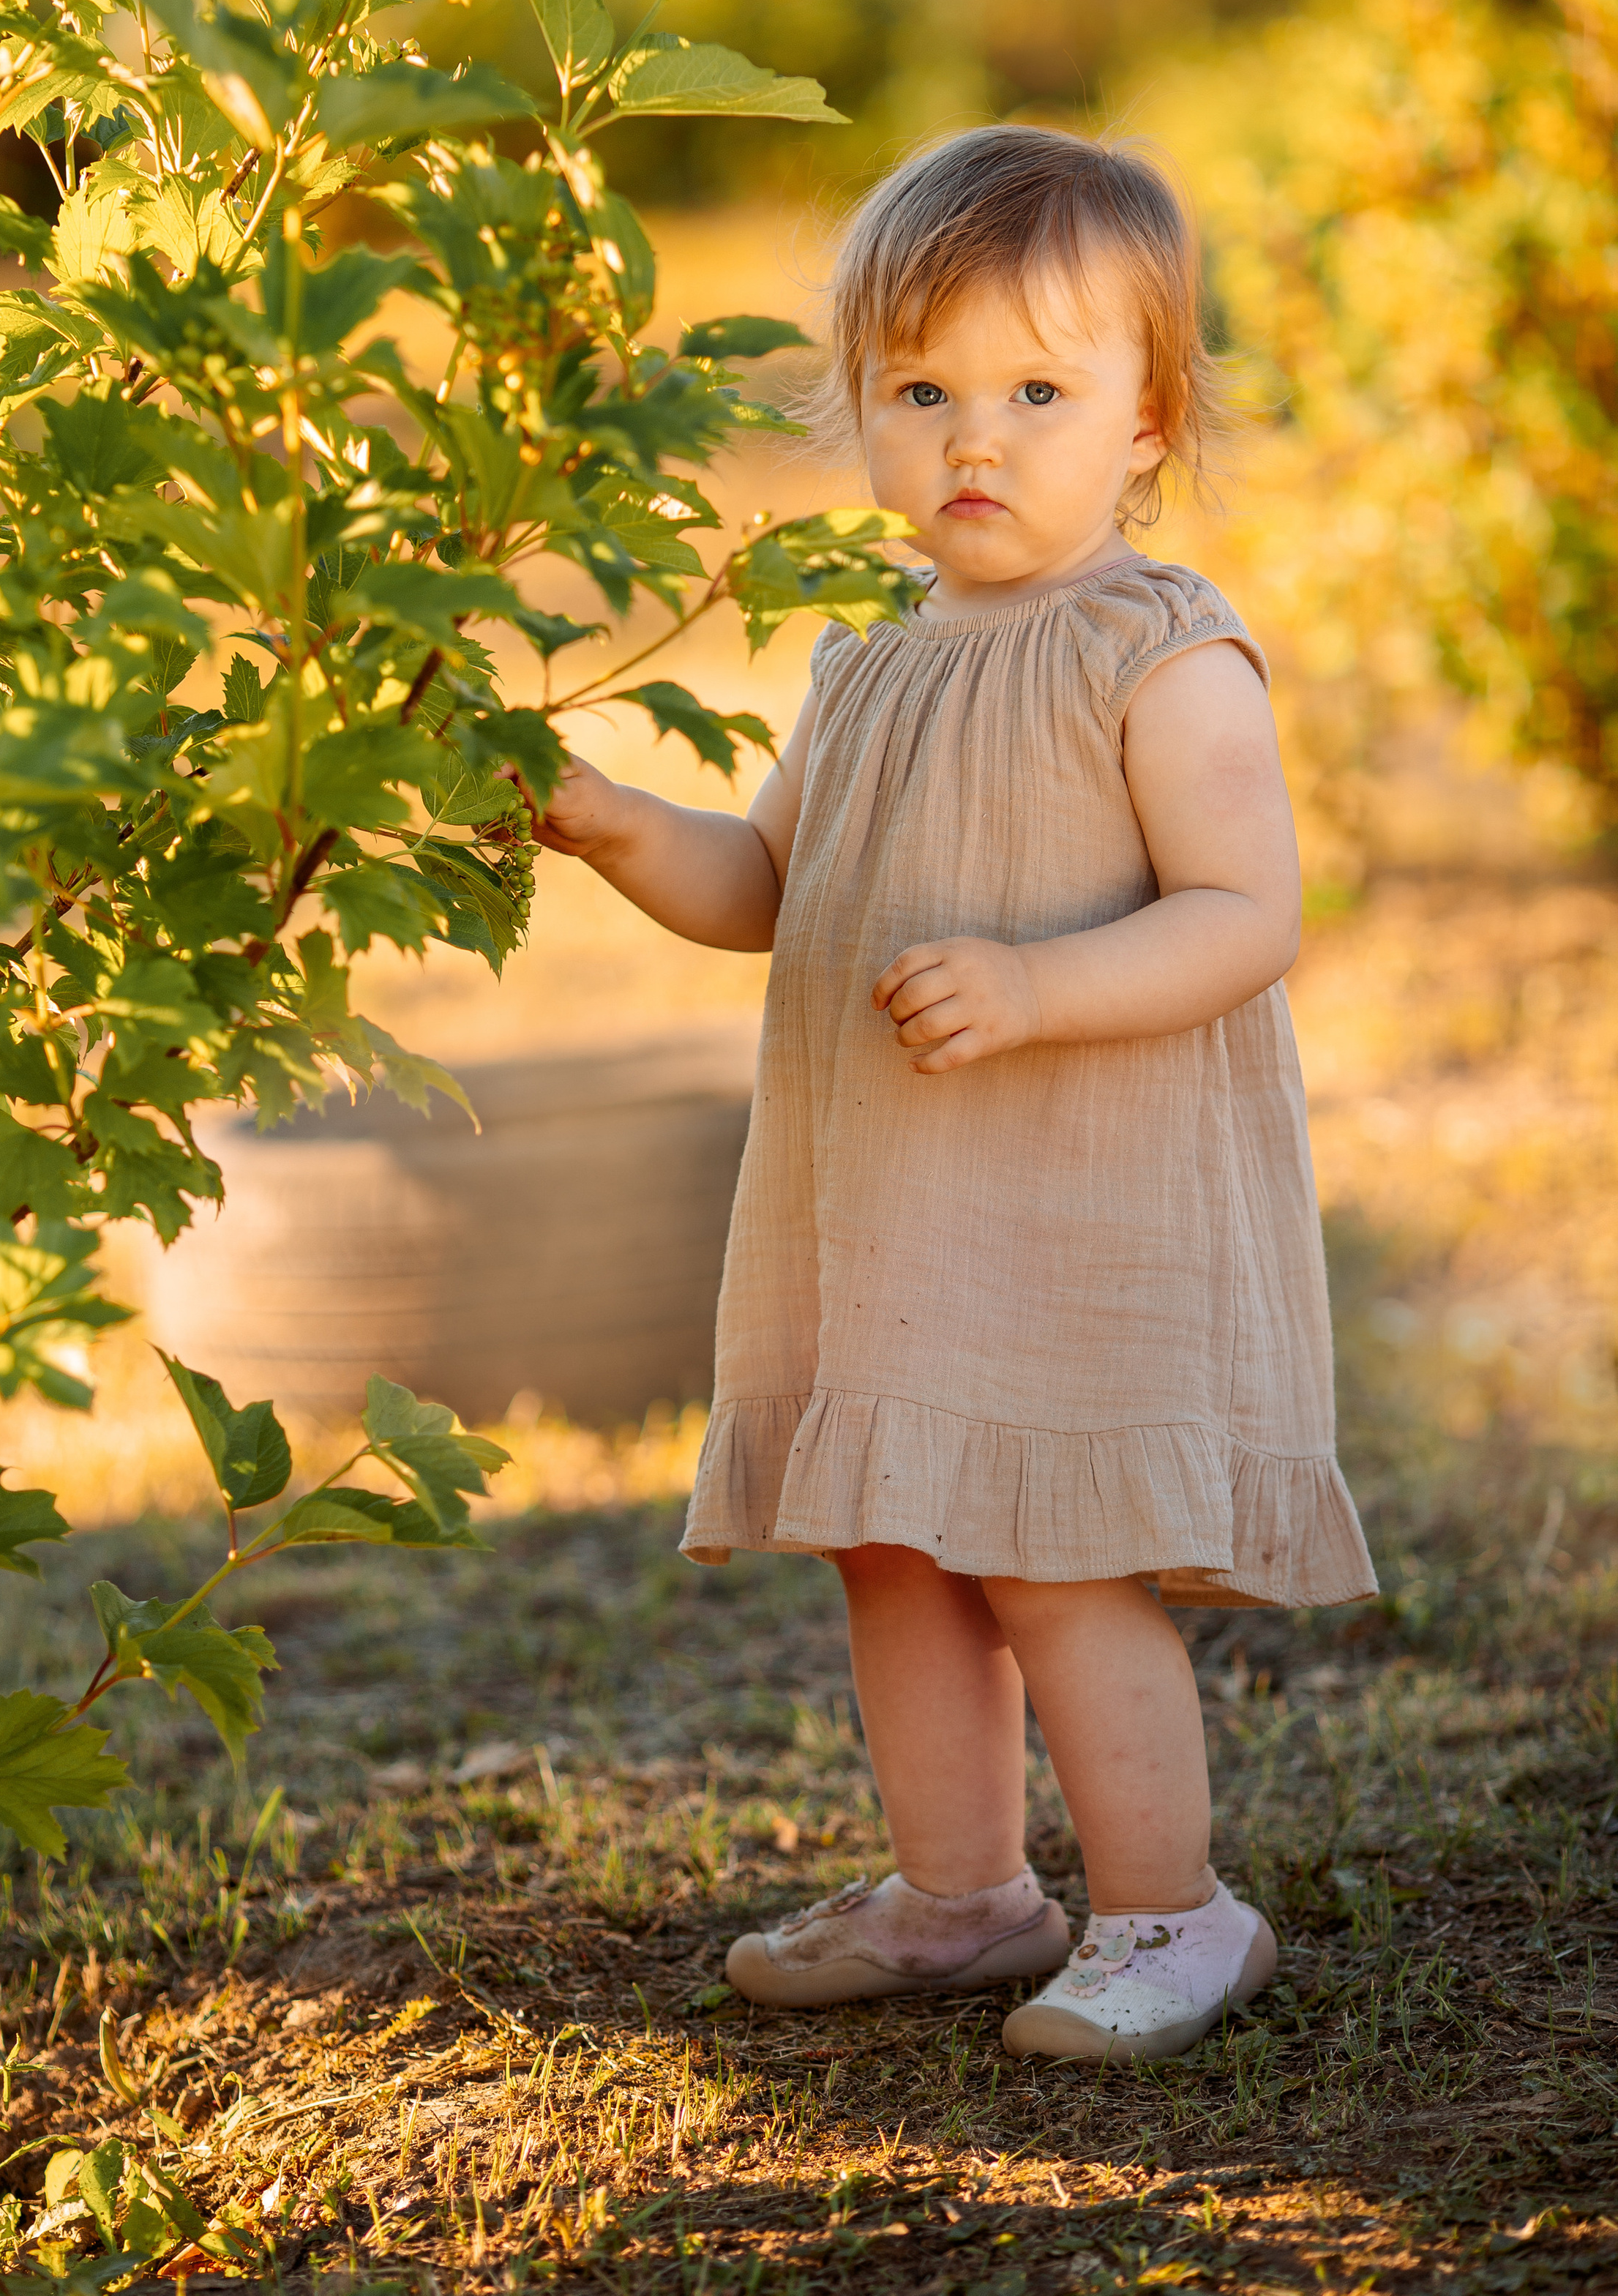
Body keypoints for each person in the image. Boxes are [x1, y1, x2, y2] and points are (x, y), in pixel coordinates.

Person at [530, 125, 1376, 2063]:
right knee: (897, 1546)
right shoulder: (864, 665)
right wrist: (612, 823)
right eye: (920, 391)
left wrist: (1037, 982)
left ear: (1148, 419)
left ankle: (1175, 1912)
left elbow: (1248, 914)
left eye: (1036, 393)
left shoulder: (1161, 652)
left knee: (1050, 1552)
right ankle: (964, 1893)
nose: (972, 438)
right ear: (859, 410)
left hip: (1077, 1201)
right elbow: (766, 889)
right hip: (898, 1209)